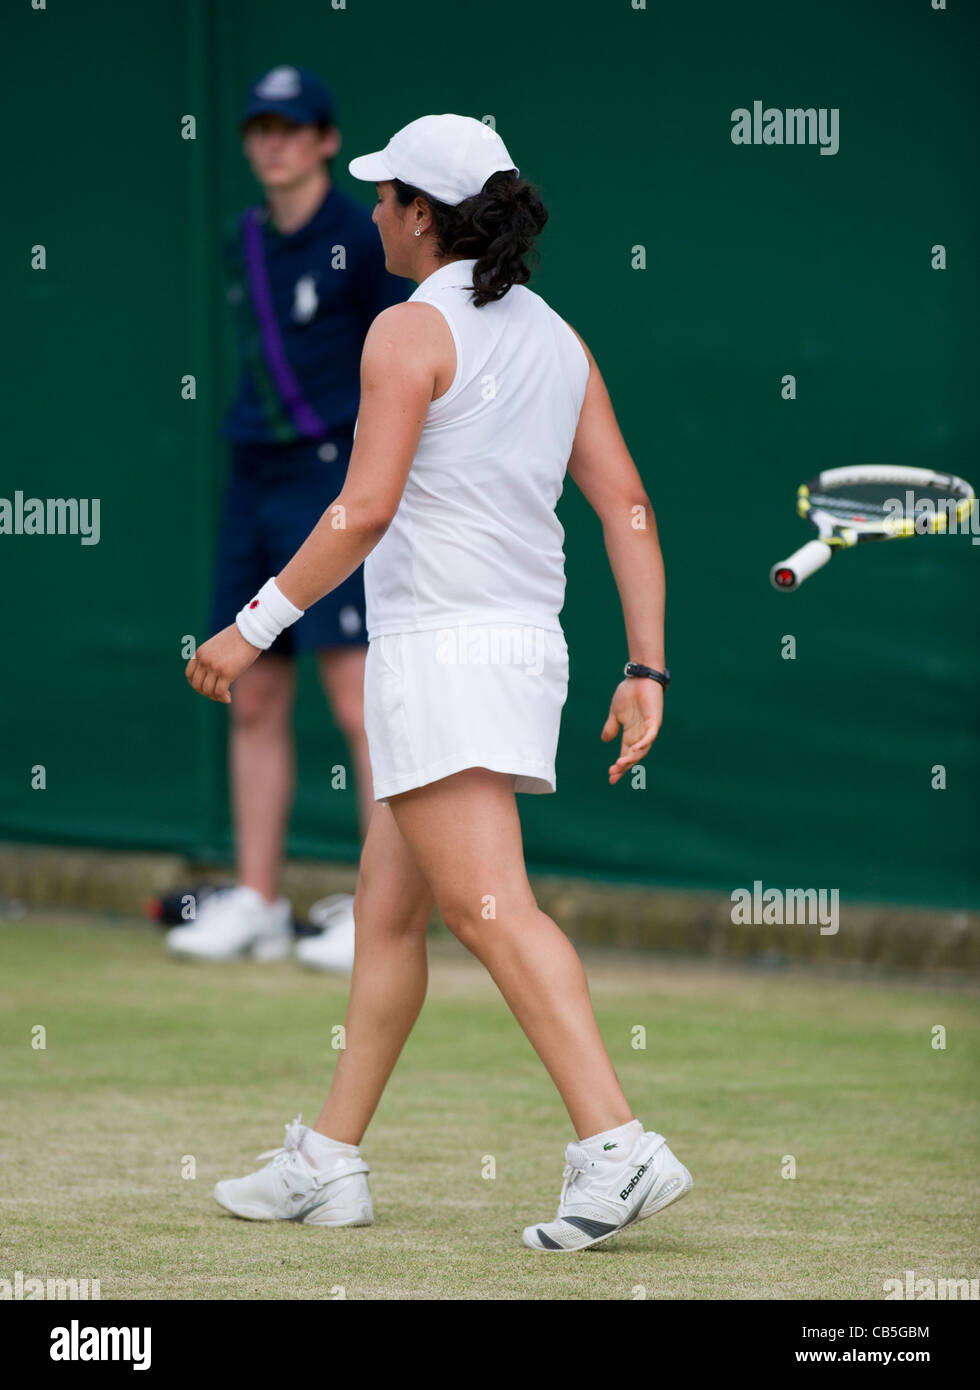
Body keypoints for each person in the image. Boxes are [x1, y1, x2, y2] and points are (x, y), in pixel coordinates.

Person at [185, 113, 693, 1251]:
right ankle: (327, 1159)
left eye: (385, 197)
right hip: (520, 651)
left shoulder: (406, 334)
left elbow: (360, 510)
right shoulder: (559, 340)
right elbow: (627, 508)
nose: (370, 213)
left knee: (486, 905)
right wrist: (645, 662)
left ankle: (615, 1143)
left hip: (444, 656)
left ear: (425, 214)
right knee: (387, 912)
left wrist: (251, 625)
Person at [167, 67, 407, 971]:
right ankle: (261, 902)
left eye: (290, 127)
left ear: (325, 141)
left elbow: (397, 367)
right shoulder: (246, 241)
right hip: (251, 478)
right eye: (258, 127)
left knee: (357, 700)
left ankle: (377, 916)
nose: (271, 142)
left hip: (335, 478)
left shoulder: (361, 236)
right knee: (253, 691)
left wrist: (370, 482)